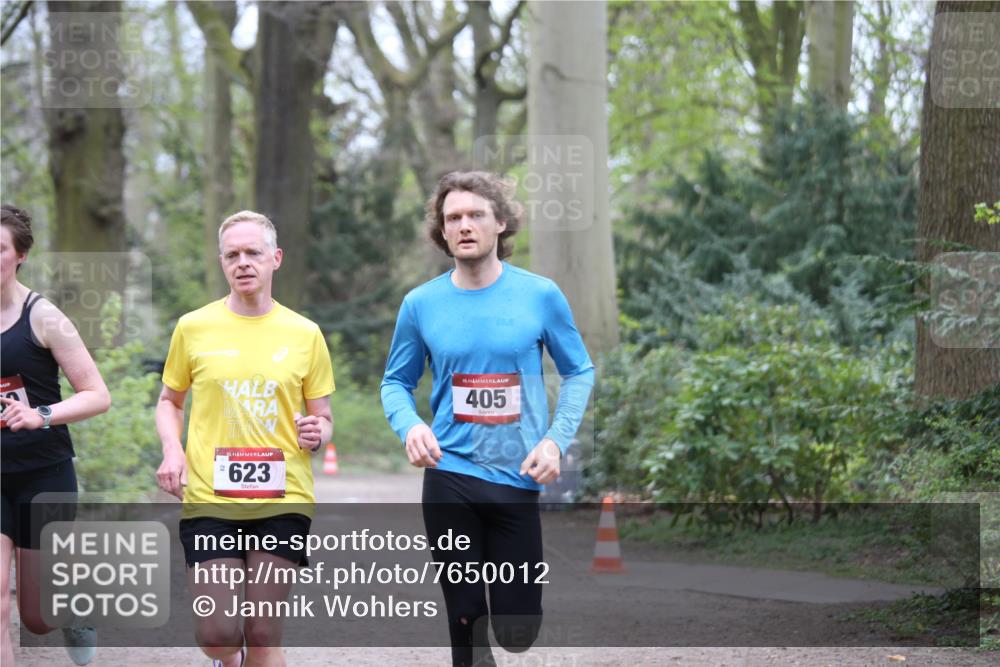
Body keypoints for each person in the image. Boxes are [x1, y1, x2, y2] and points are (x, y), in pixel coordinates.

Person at [381, 172, 594, 666]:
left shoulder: (540, 295)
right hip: (449, 475)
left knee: (518, 630)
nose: (464, 225)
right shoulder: (420, 304)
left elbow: (579, 370)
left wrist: (555, 441)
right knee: (466, 619)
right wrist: (411, 426)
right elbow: (395, 382)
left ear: (500, 222)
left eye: (476, 214)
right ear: (442, 231)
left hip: (517, 476)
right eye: (453, 217)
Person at [155, 211, 334, 667]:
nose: (243, 262)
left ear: (276, 258)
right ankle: (225, 659)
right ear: (221, 261)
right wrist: (173, 451)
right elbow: (170, 401)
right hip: (210, 498)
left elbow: (323, 417)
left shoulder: (305, 334)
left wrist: (318, 432)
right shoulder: (193, 327)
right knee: (217, 634)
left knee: (262, 631)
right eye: (232, 254)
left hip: (283, 497)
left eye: (253, 252)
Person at [1, 204, 112, 666]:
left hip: (43, 472)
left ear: (20, 254)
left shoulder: (44, 316)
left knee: (37, 616)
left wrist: (40, 414)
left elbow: (97, 395)